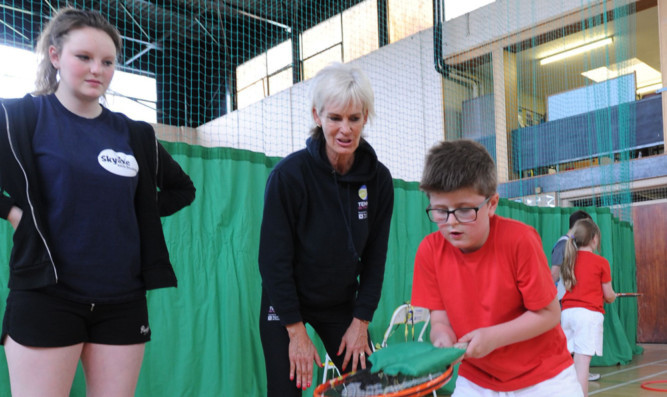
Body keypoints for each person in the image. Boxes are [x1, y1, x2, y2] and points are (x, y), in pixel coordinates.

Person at [0, 8, 195, 397]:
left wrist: (136, 212)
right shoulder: (20, 116)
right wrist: (13, 213)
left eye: (107, 62)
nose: (97, 70)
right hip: (46, 297)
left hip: (122, 302)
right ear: (55, 56)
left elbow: (182, 189)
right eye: (84, 57)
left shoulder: (134, 134)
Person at [258, 62, 394, 396]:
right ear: (318, 116)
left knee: (370, 388)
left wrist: (361, 322)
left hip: (339, 304)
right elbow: (273, 261)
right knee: (287, 390)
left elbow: (376, 258)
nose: (345, 130)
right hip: (286, 303)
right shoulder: (288, 177)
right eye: (335, 118)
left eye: (354, 118)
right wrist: (295, 332)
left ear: (366, 117)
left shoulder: (379, 181)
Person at [411, 139, 583, 396]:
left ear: (491, 204)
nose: (451, 222)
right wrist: (442, 337)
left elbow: (549, 314)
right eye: (440, 211)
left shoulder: (519, 240)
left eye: (464, 210)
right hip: (477, 379)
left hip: (545, 377)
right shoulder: (429, 250)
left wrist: (492, 338)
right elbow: (439, 318)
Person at [560, 218, 616, 396]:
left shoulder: (569, 259)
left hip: (567, 313)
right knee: (582, 366)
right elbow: (608, 295)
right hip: (588, 315)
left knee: (568, 364)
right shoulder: (601, 262)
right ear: (594, 239)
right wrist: (612, 297)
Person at [551, 210, 601, 382]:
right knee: (567, 344)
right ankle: (567, 376)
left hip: (570, 303)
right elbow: (554, 273)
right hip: (562, 301)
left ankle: (579, 373)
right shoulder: (564, 244)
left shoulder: (576, 249)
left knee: (574, 344)